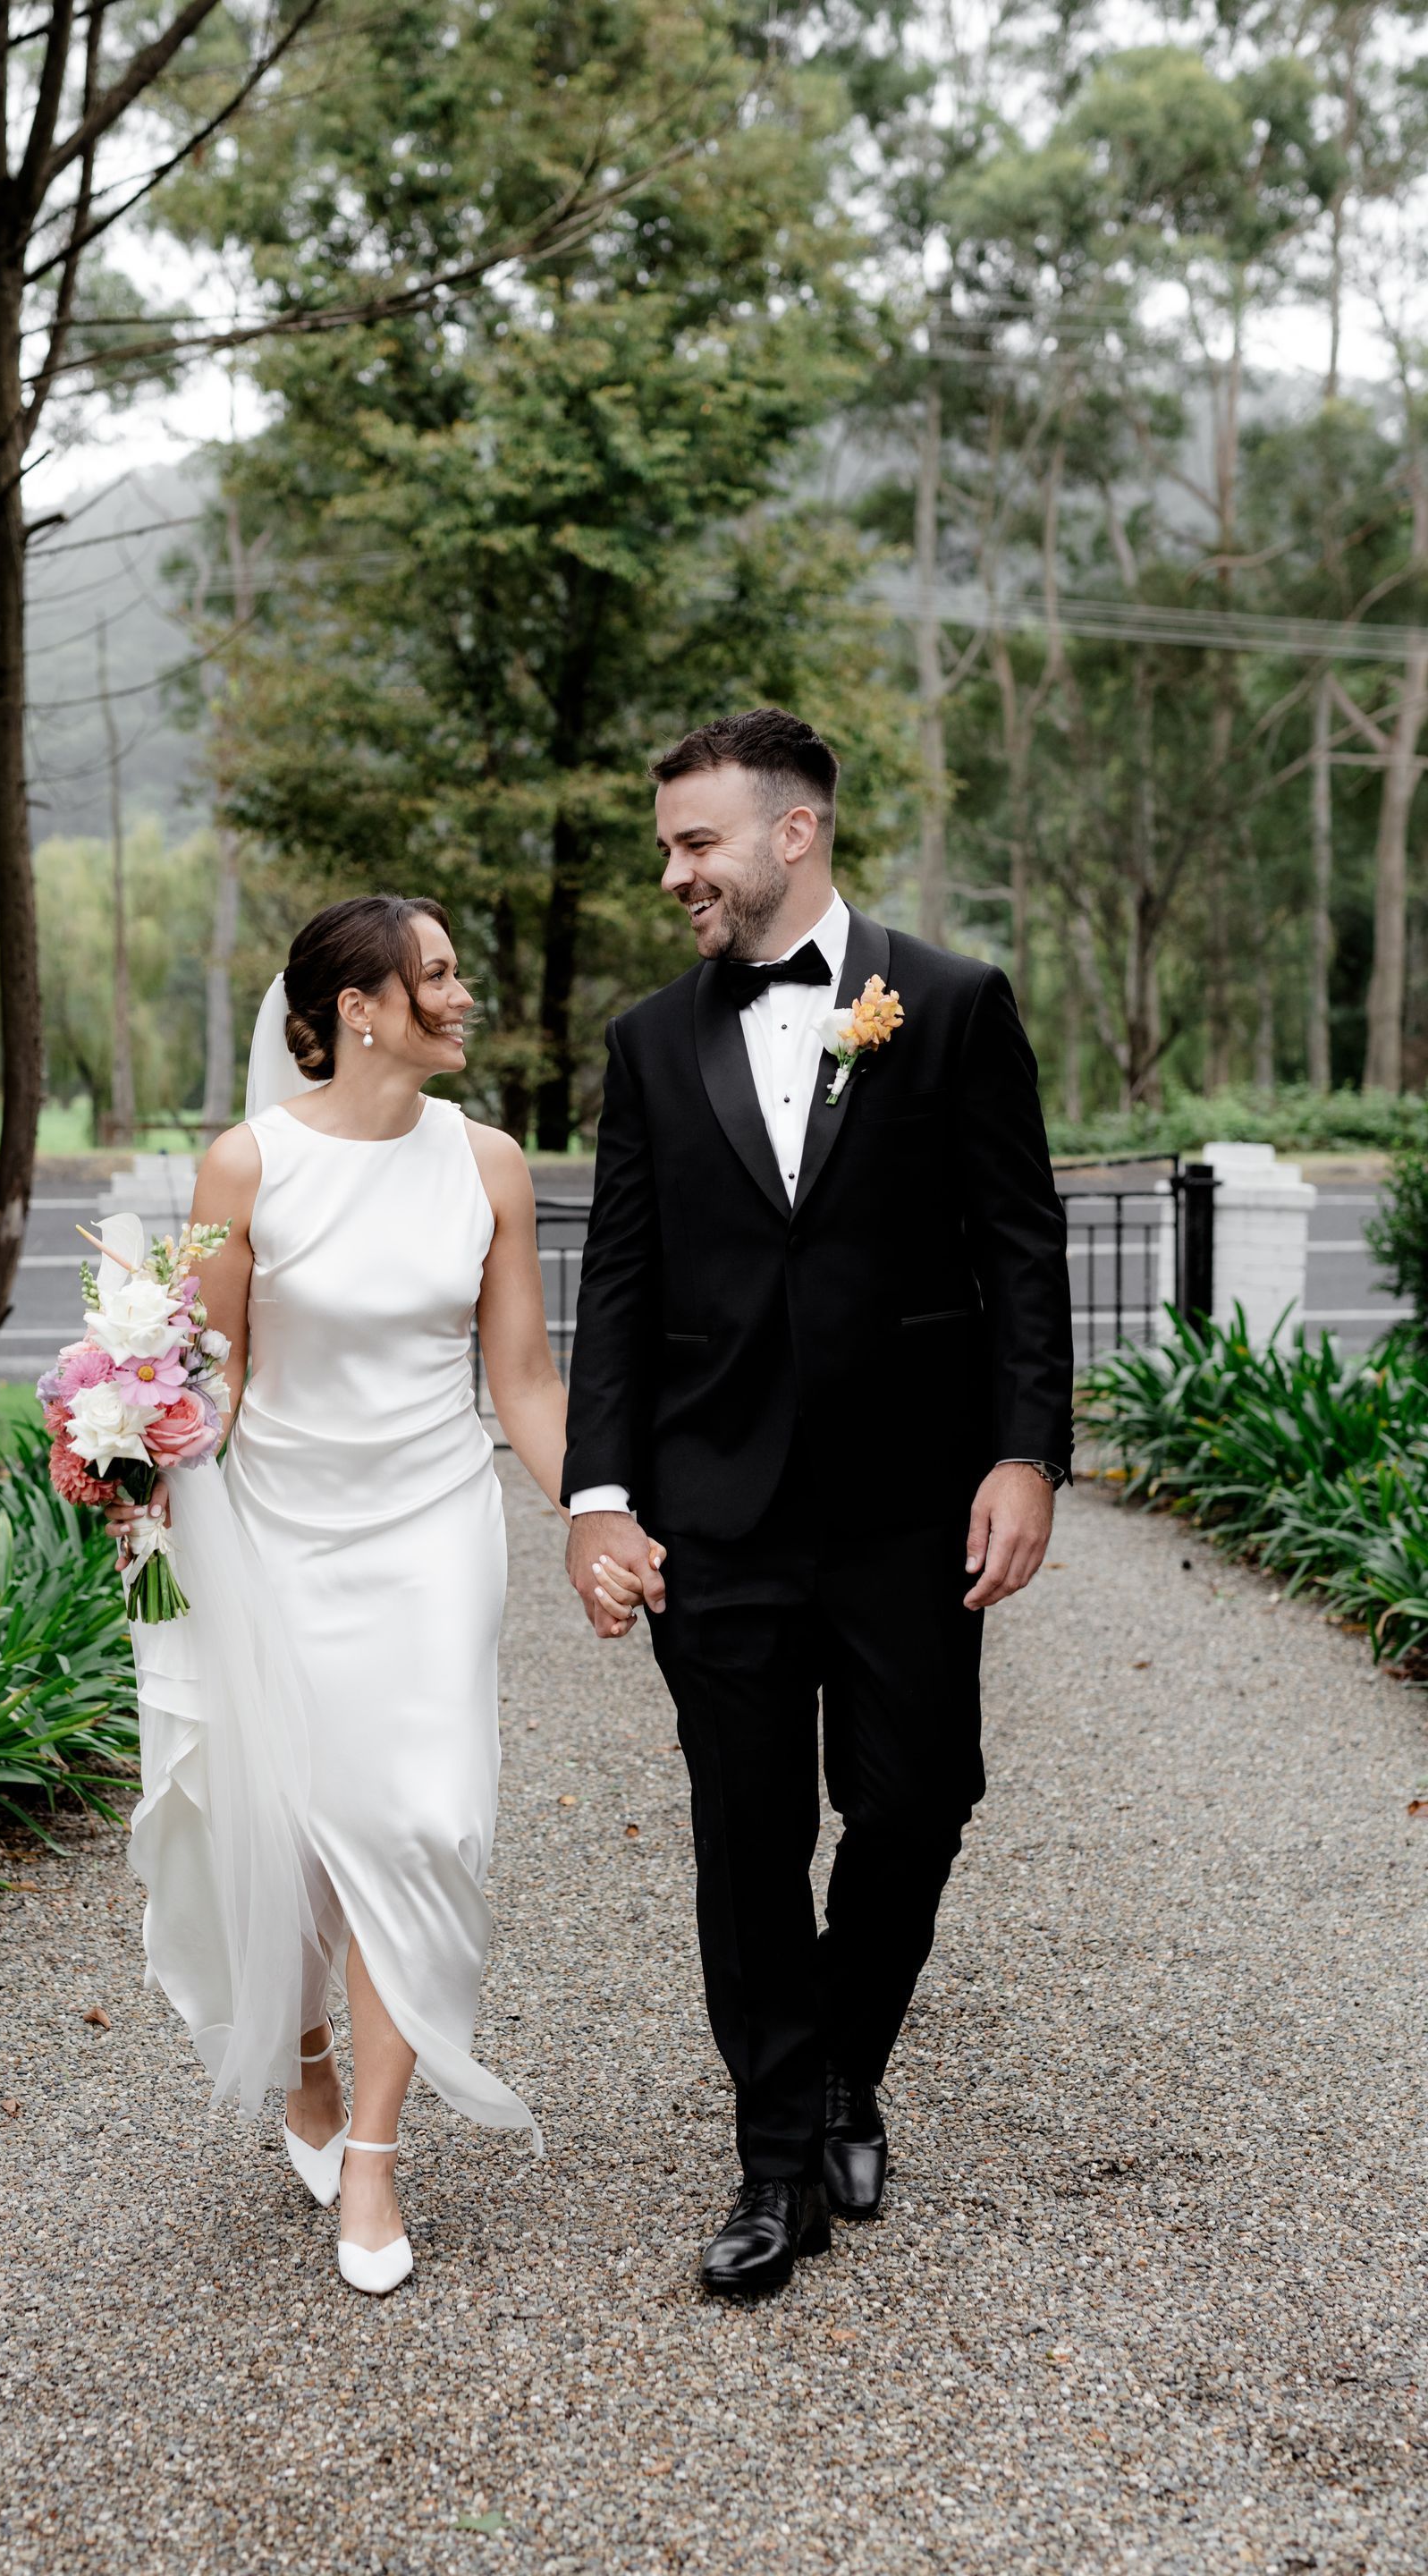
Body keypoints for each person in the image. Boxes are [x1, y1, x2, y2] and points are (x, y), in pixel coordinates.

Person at [562, 708, 1074, 2296]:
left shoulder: (954, 1003)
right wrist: (597, 1495)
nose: (674, 873)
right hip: (712, 1507)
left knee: (918, 1802)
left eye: (696, 842)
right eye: (667, 846)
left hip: (912, 1505)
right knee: (748, 1834)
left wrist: (1027, 1455)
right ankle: (777, 2158)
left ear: (794, 833)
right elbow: (620, 1281)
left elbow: (1020, 1249)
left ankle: (851, 2061)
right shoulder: (649, 1042)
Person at [107, 895, 646, 2296]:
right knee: (287, 1834)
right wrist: (134, 1468)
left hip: (433, 1534)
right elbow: (211, 1371)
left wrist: (595, 1512)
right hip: (282, 1533)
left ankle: (374, 2159)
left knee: (420, 1821)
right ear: (359, 1008)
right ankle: (304, 2071)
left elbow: (522, 1379)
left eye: (458, 973)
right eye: (438, 977)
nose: (463, 997)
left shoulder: (489, 1164)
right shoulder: (249, 1164)